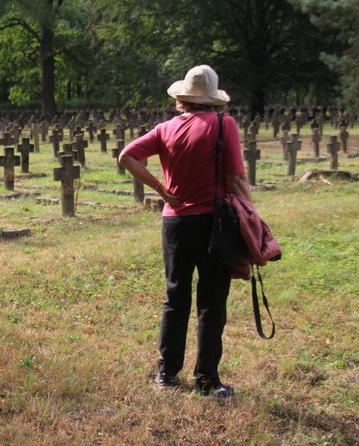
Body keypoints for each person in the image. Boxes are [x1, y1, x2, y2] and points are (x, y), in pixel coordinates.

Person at [118, 65, 252, 398]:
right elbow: (236, 177)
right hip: (214, 223)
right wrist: (252, 216)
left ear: (183, 98)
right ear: (213, 99)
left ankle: (166, 374)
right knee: (211, 301)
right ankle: (206, 380)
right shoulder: (224, 124)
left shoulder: (165, 129)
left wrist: (160, 188)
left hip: (175, 223)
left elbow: (127, 156)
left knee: (175, 297)